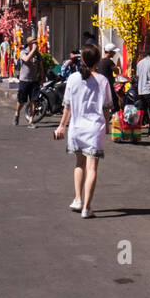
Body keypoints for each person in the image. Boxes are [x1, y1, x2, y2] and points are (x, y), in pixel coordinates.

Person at [53, 43, 112, 218]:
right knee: (92, 167)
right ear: (98, 60)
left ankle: (78, 199)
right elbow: (107, 107)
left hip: (76, 127)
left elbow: (67, 107)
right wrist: (107, 125)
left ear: (82, 59)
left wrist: (61, 125)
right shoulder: (102, 81)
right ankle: (86, 207)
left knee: (79, 164)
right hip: (95, 128)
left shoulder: (73, 79)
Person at [14, 37, 42, 125]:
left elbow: (41, 67)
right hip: (24, 80)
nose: (36, 45)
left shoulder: (38, 55)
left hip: (34, 81)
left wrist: (42, 78)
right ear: (29, 44)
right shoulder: (23, 52)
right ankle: (17, 113)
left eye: (36, 43)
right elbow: (26, 59)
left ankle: (31, 121)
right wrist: (33, 50)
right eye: (34, 43)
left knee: (34, 101)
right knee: (21, 101)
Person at [135, 44, 150, 135]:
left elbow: (138, 76)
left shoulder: (140, 63)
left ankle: (136, 128)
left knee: (141, 111)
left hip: (141, 90)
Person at [97, 43, 120, 108]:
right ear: (110, 52)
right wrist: (118, 66)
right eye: (114, 52)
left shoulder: (100, 61)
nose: (115, 54)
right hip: (109, 86)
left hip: (101, 85)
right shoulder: (109, 62)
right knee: (115, 103)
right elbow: (117, 71)